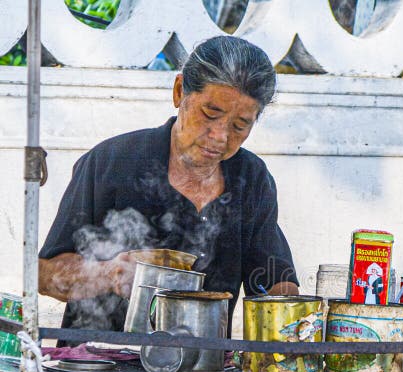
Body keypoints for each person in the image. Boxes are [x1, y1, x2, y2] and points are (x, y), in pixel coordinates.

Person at [38, 36, 299, 334]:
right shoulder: (112, 162)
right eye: (210, 114)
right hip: (101, 361)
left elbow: (273, 280)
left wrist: (292, 317)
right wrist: (107, 274)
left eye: (240, 125)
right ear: (179, 92)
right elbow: (44, 275)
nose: (220, 136)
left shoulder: (251, 178)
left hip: (204, 366)